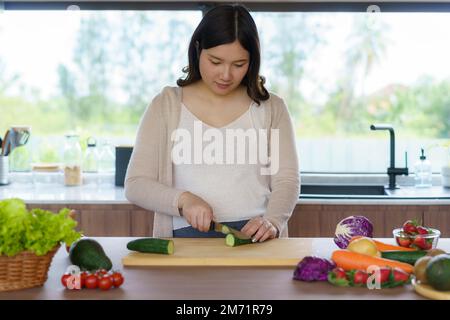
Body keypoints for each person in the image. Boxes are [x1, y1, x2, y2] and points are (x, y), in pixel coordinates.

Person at [125, 4, 299, 242]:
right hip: (185, 239)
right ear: (198, 50)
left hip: (256, 238)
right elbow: (136, 184)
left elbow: (286, 180)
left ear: (253, 61)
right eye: (215, 61)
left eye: (239, 64)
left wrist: (273, 221)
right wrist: (184, 200)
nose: (226, 75)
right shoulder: (166, 105)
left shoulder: (272, 108)